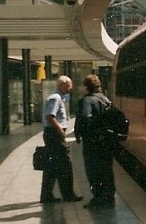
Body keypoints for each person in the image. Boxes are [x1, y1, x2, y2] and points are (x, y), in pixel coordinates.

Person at [75, 74, 116, 209]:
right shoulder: (106, 99)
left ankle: (98, 198)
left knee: (93, 170)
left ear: (86, 87)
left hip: (92, 144)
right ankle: (109, 197)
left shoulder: (87, 101)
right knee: (107, 170)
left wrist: (81, 134)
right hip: (107, 142)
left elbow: (87, 119)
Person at [40, 75, 83, 203]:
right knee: (65, 165)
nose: (71, 88)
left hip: (52, 134)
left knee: (52, 166)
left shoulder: (59, 97)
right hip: (54, 135)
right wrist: (60, 131)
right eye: (69, 85)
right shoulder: (56, 98)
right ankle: (68, 195)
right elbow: (50, 116)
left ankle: (46, 196)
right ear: (62, 85)